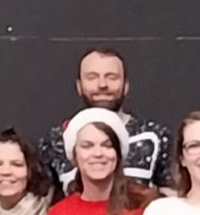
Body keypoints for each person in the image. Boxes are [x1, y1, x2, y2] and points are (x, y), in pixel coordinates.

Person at [36, 47, 174, 191]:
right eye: (92, 77)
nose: (102, 85)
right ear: (79, 86)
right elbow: (44, 198)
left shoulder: (155, 136)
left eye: (112, 77)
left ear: (126, 85)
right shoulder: (55, 140)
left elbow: (173, 195)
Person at [41, 111, 152, 215]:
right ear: (75, 155)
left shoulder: (146, 208)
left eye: (107, 145)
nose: (98, 153)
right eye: (87, 146)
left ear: (118, 154)